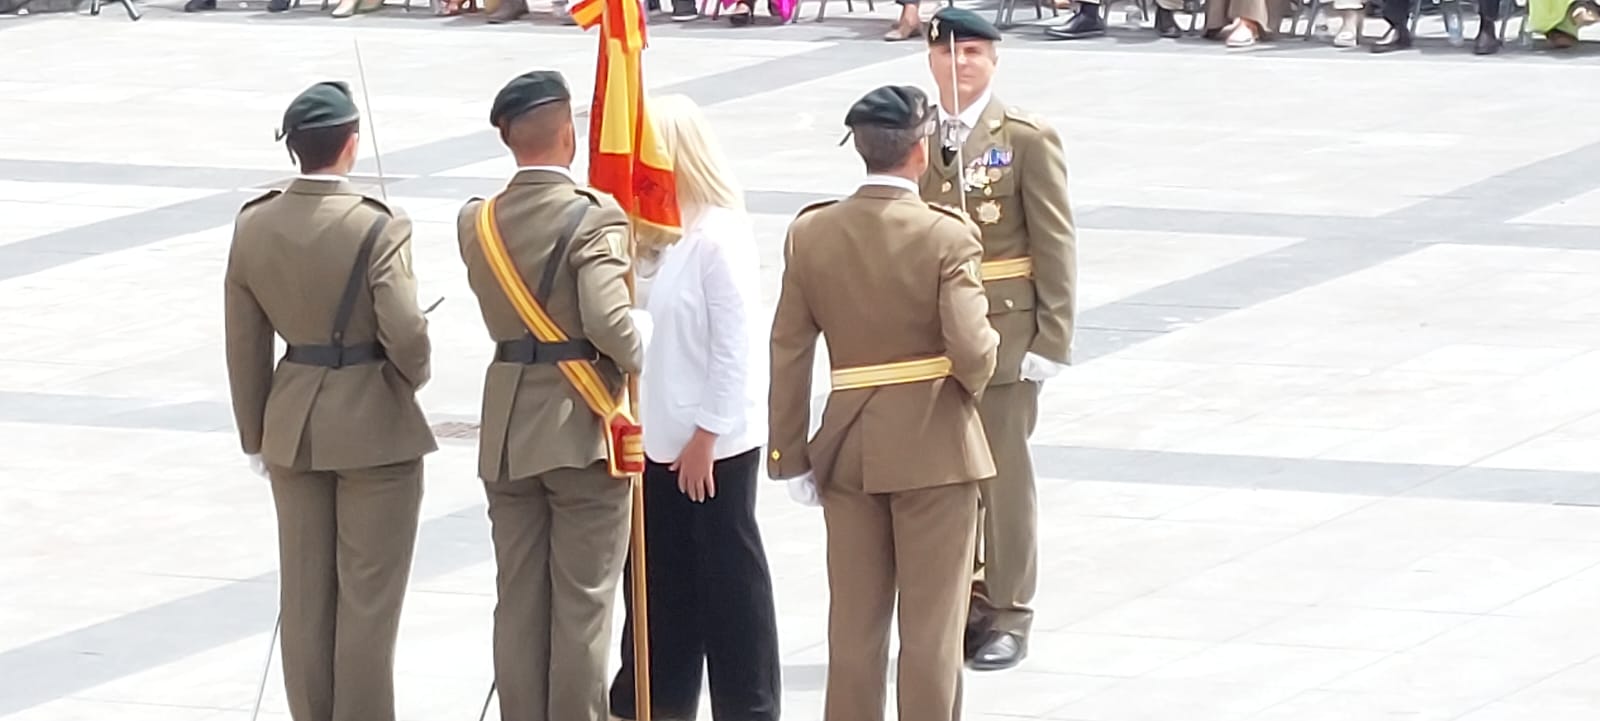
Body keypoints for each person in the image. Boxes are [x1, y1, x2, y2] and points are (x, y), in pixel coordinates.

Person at [768, 84, 1000, 721]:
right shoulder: (946, 235)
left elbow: (789, 349)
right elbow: (973, 349)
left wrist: (788, 454)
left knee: (853, 630)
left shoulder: (811, 233)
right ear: (920, 151)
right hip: (935, 448)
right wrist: (976, 377)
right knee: (931, 633)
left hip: (847, 448)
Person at [223, 80, 436, 721]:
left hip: (293, 425)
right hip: (374, 426)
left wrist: (255, 435)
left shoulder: (254, 224)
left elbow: (244, 343)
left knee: (305, 597)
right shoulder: (378, 223)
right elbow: (406, 335)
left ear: (295, 148)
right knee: (367, 603)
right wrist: (413, 373)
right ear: (351, 144)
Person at [454, 70, 644, 721]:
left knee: (519, 601)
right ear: (568, 134)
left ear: (508, 138)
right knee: (583, 604)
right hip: (579, 429)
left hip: (508, 431)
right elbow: (608, 321)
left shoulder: (476, 221)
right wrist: (640, 344)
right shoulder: (594, 216)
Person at [606, 93, 782, 721]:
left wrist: (708, 434)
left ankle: (747, 706)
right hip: (653, 438)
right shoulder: (646, 234)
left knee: (728, 583)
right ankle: (656, 701)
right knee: (660, 583)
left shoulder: (718, 235)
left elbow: (736, 346)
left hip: (713, 443)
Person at [919, 7, 1077, 672]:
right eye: (948, 53)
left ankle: (1010, 610)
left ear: (994, 59)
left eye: (973, 54)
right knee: (943, 478)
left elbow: (1054, 239)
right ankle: (963, 601)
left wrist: (1053, 337)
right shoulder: (915, 132)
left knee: (1003, 478)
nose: (959, 64)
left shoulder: (1023, 137)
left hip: (1005, 333)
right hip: (931, 336)